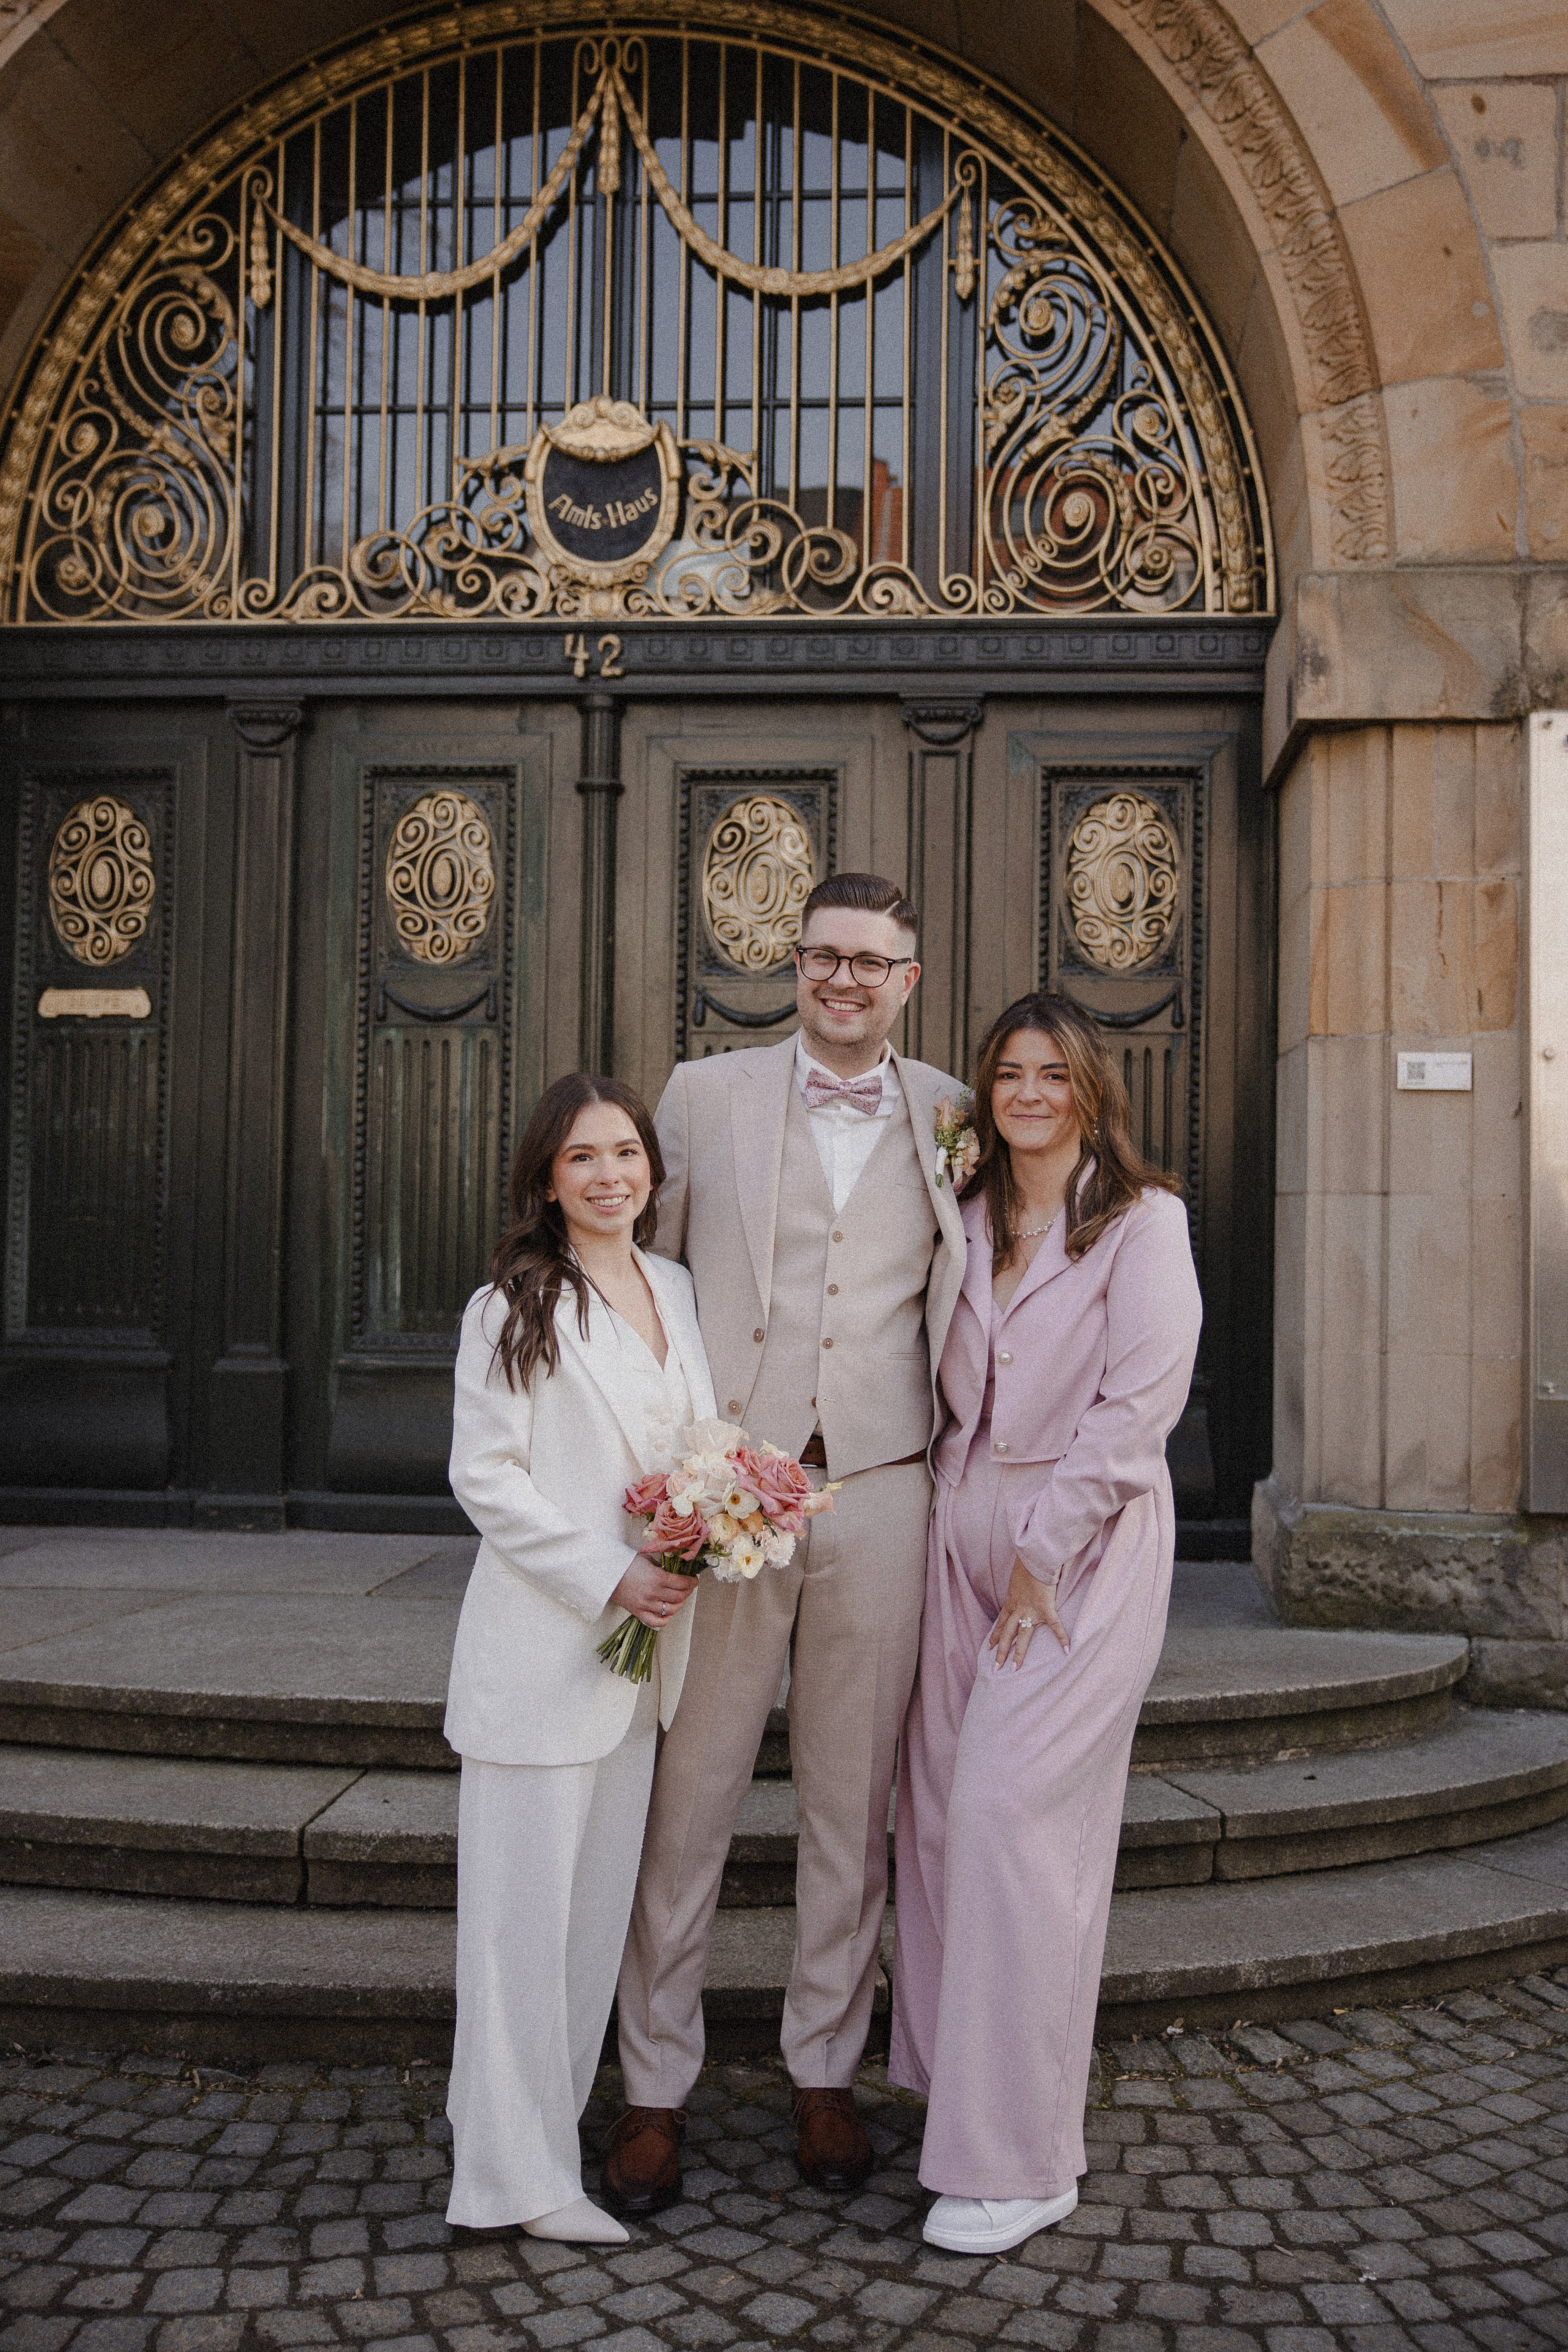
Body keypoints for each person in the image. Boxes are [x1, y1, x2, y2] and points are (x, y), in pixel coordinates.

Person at [605, 873, 966, 2212]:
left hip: (879, 1489)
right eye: (824, 956)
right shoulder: (704, 1096)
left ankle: (824, 2069)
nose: (845, 980)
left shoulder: (952, 1115)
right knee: (687, 1802)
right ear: (793, 962)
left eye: (873, 962)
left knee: (847, 1807)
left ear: (906, 979)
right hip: (728, 1492)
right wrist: (657, 1473)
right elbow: (647, 1274)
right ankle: (652, 2089)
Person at [890, 993, 1202, 2255]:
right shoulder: (961, 1217)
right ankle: (950, 2107)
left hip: (1075, 1559)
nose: (1026, 1092)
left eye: (1049, 1074)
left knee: (1012, 1822)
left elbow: (1137, 1407)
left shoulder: (1143, 1224)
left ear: (1088, 1090)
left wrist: (1040, 1558)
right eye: (1007, 1073)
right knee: (931, 1826)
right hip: (948, 1541)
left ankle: (1025, 2158)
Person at [443, 1073, 715, 2245]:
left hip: (640, 1667)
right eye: (582, 1160)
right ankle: (516, 2185)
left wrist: (720, 1515)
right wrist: (612, 1574)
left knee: (589, 1927)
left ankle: (518, 2138)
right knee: (518, 1933)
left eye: (626, 1153)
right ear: (546, 1183)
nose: (612, 1176)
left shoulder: (676, 1287)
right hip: (545, 1655)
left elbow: (688, 1441)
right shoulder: (512, 1306)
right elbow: (486, 1479)